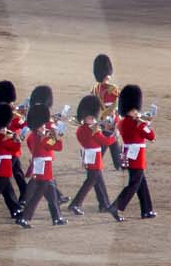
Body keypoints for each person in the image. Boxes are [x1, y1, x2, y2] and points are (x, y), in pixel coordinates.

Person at [65, 95, 122, 221]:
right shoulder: (93, 130)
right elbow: (105, 142)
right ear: (88, 117)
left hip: (88, 155)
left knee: (98, 181)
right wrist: (115, 135)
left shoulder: (81, 129)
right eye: (92, 117)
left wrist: (100, 127)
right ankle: (75, 204)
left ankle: (104, 204)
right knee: (90, 181)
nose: (94, 119)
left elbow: (94, 132)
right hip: (94, 157)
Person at [16, 100, 67, 228]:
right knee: (39, 194)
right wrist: (57, 135)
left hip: (39, 165)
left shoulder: (32, 136)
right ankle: (25, 218)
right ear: (38, 126)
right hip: (45, 167)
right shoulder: (44, 139)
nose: (45, 126)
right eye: (43, 125)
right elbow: (59, 147)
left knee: (52, 194)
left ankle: (57, 217)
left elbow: (31, 145)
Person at [115, 84, 156, 218]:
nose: (136, 112)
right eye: (133, 110)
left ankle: (147, 210)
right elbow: (151, 136)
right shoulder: (136, 123)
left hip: (129, 154)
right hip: (137, 157)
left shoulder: (123, 122)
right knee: (134, 184)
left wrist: (142, 122)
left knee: (141, 183)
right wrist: (145, 124)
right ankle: (116, 206)